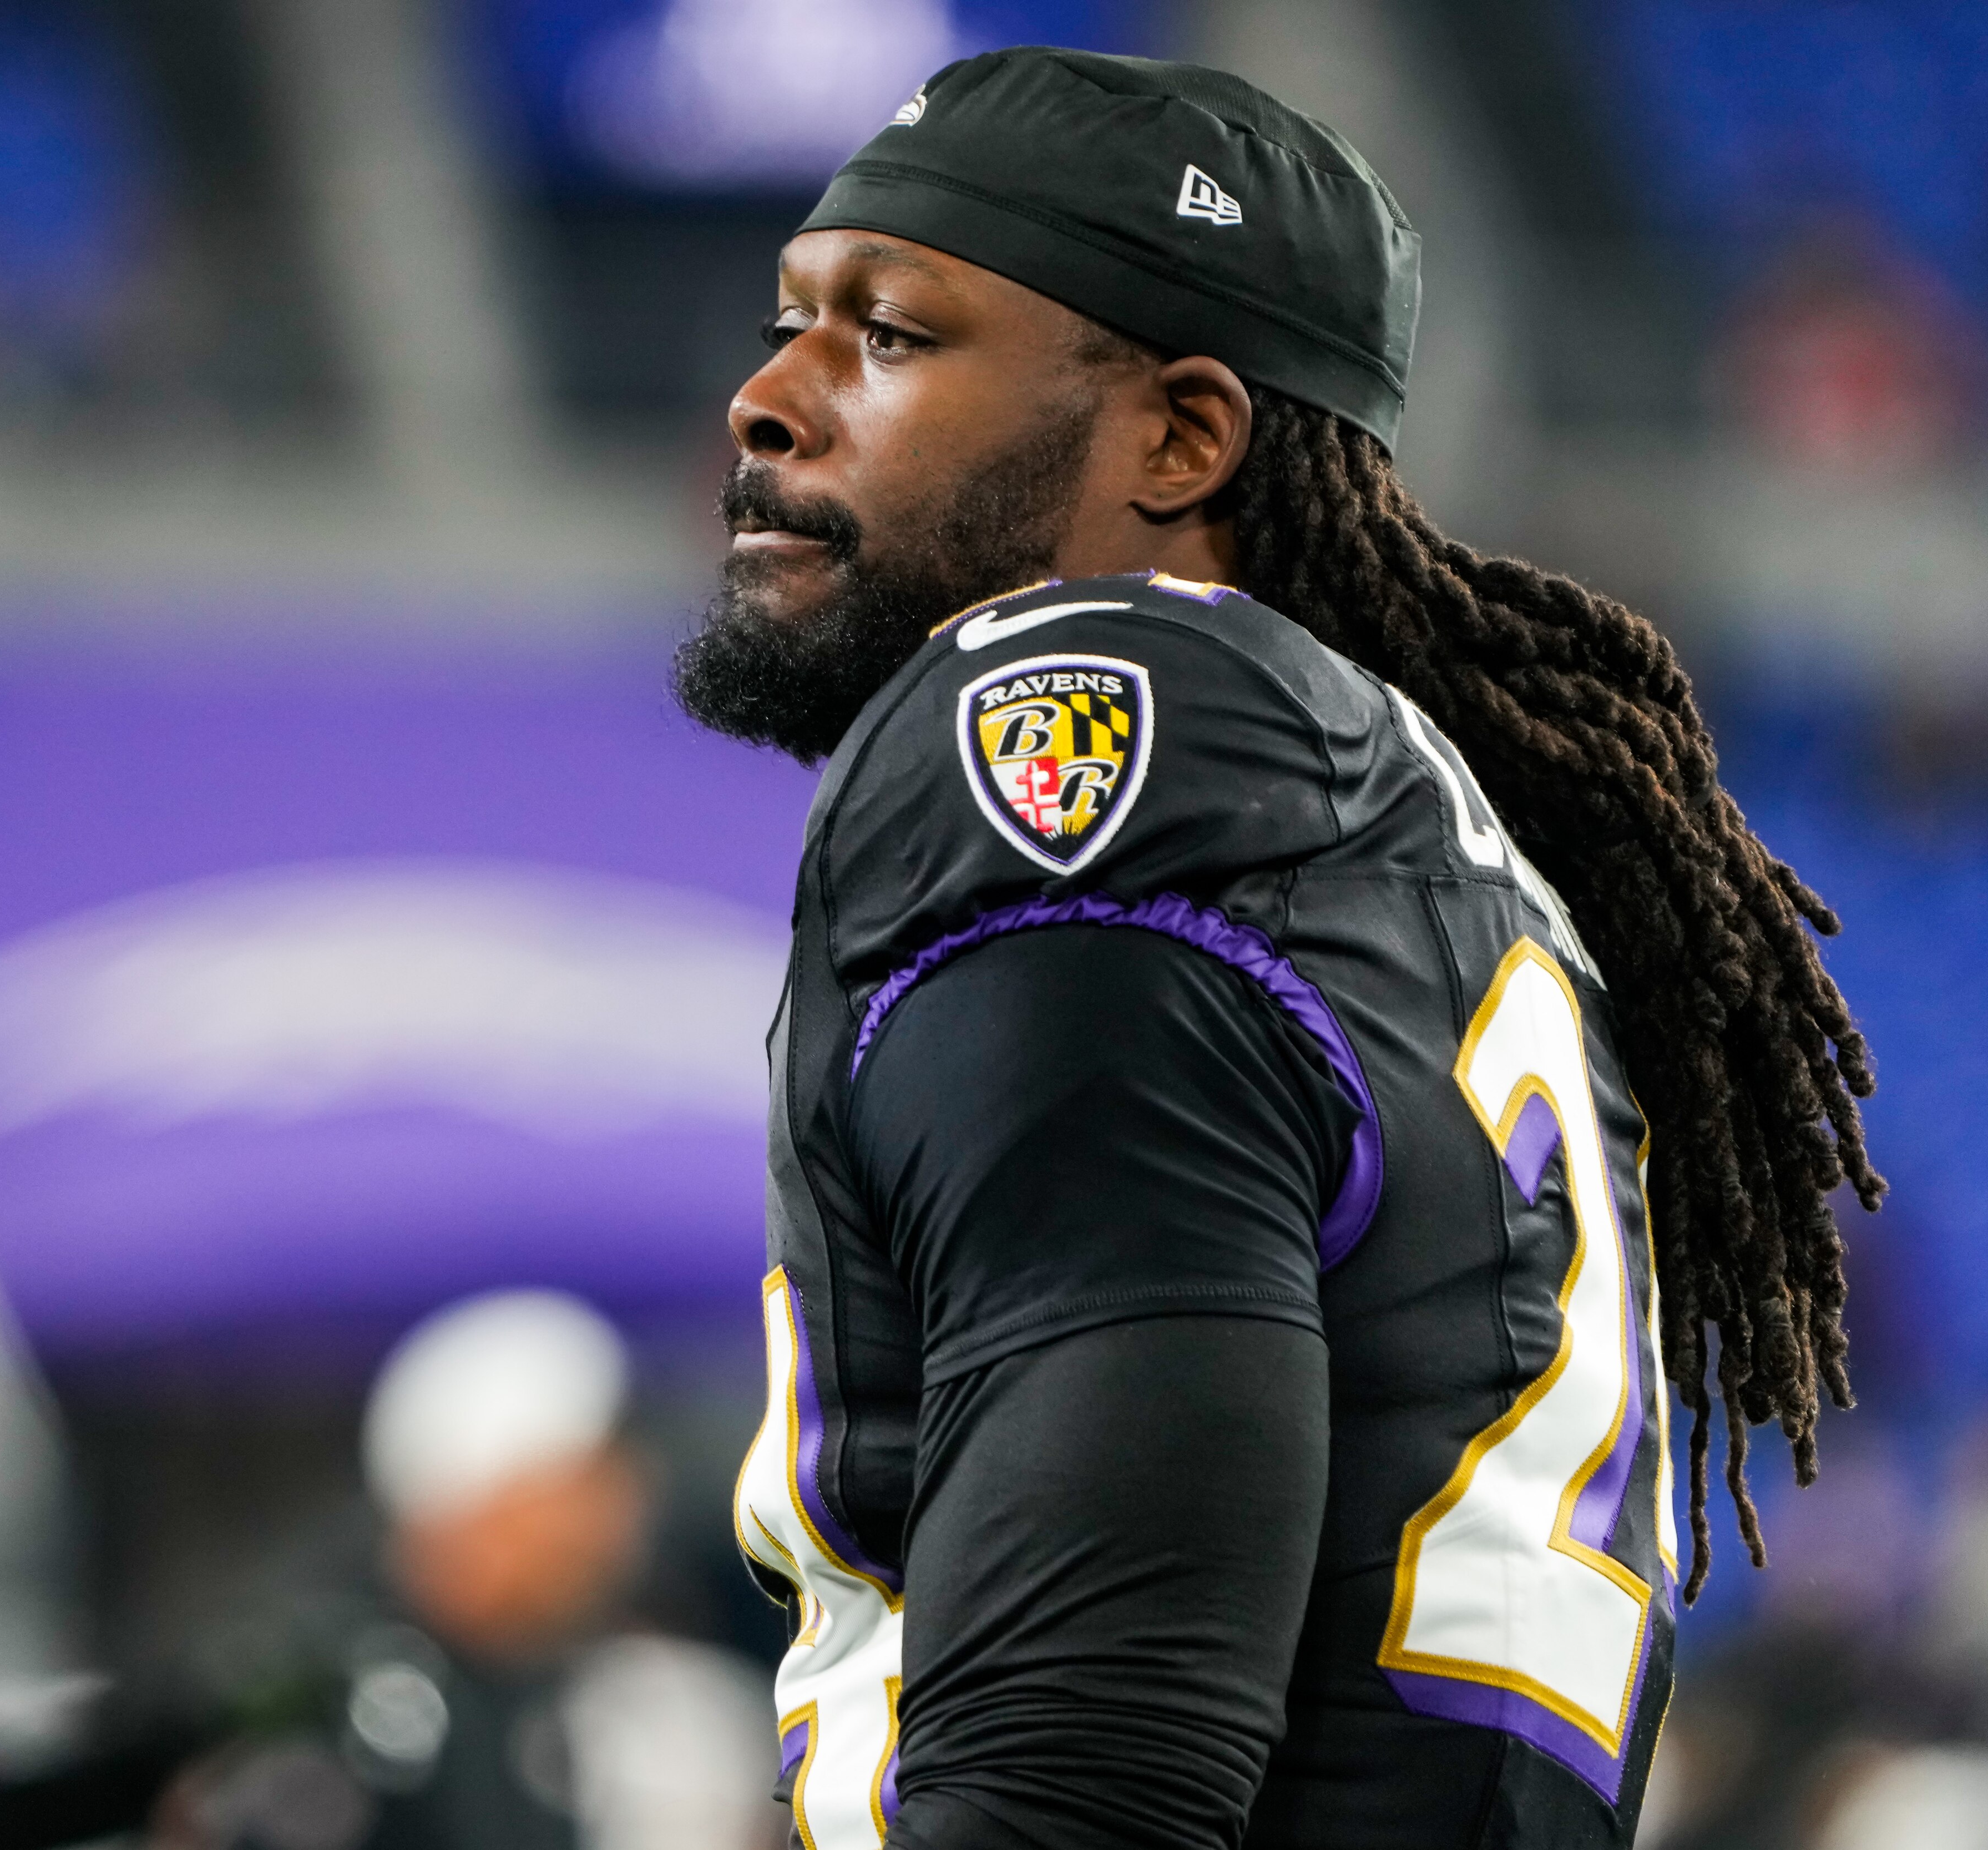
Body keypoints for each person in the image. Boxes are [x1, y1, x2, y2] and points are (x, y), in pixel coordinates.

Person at [669, 47, 1883, 1850]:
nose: (768, 397)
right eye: (791, 320)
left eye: (893, 334)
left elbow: (1089, 1764)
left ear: (1180, 436)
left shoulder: (1076, 737)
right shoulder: (1374, 823)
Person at [155, 1291, 775, 1850]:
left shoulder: (656, 1693)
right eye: (584, 1474)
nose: (624, 1499)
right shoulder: (321, 1692)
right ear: (480, 1502)